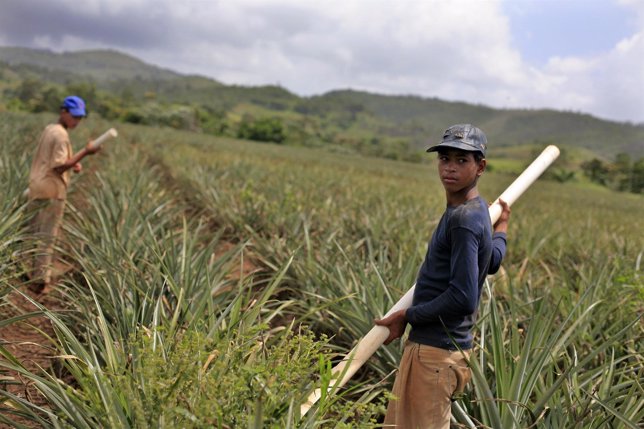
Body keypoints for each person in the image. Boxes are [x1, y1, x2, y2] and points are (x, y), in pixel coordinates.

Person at [374, 124, 511, 428]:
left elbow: (463, 298)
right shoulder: (475, 211)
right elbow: (490, 262)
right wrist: (500, 228)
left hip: (435, 354)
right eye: (445, 158)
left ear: (480, 166)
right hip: (440, 351)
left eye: (462, 160)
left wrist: (407, 315)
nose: (450, 168)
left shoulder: (464, 219)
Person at [27, 95, 101, 293]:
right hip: (52, 191)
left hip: (37, 186)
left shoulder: (51, 129)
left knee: (33, 232)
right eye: (73, 116)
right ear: (63, 111)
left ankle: (26, 272)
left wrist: (72, 162)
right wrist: (85, 152)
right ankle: (40, 282)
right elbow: (58, 167)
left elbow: (52, 160)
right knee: (47, 236)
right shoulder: (61, 136)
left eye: (79, 118)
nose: (76, 121)